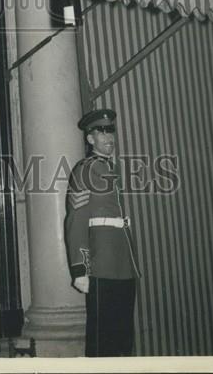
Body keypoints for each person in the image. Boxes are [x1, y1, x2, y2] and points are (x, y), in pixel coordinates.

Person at [64, 107, 141, 357]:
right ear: (90, 139)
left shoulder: (113, 169)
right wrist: (80, 269)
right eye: (102, 132)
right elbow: (76, 220)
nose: (109, 138)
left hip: (123, 265)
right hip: (101, 265)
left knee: (122, 340)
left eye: (111, 132)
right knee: (102, 343)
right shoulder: (84, 169)